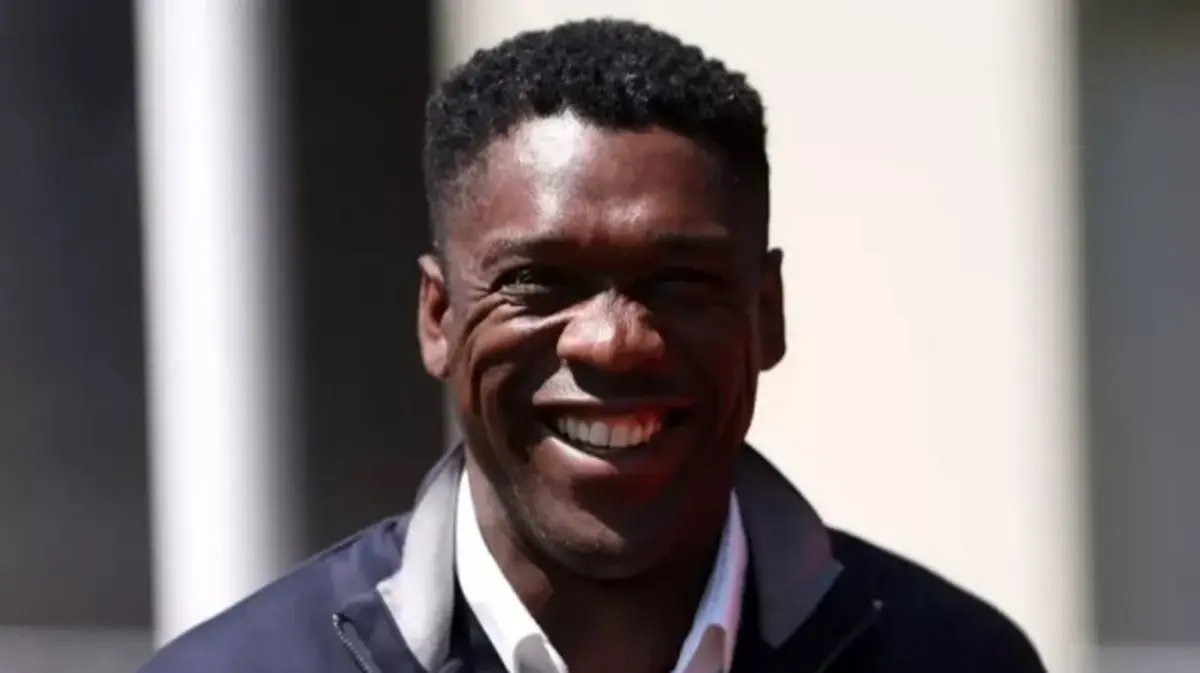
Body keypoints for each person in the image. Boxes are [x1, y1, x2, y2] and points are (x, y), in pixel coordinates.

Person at [139, 18, 1047, 673]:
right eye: (540, 280)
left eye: (679, 281)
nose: (613, 343)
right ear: (438, 316)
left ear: (766, 314)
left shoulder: (956, 660)